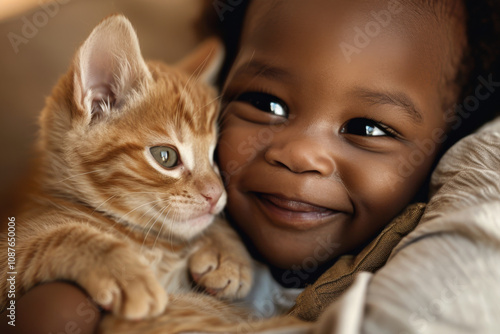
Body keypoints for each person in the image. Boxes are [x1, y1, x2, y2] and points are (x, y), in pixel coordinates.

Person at [3, 0, 500, 332]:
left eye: (368, 129)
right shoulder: (184, 212)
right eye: (267, 103)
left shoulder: (439, 239)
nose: (302, 154)